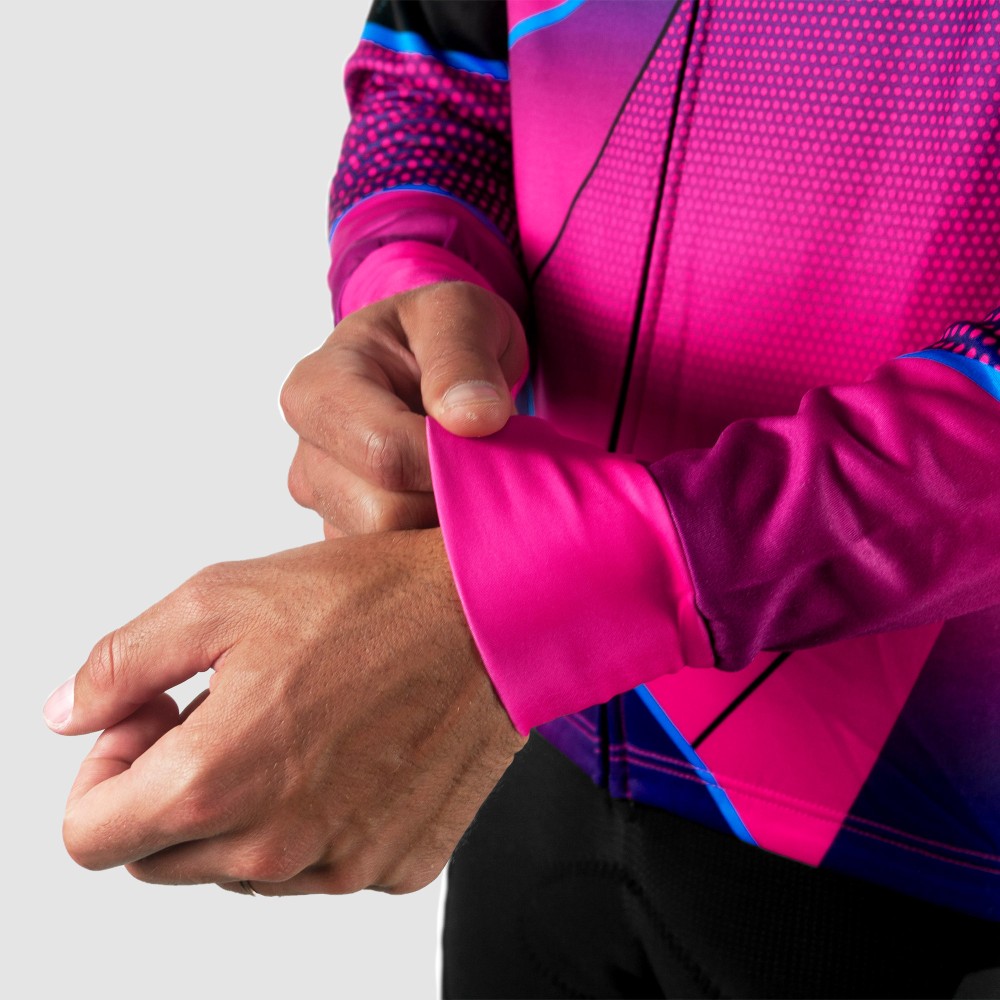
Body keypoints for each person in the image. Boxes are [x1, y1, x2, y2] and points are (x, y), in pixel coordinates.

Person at [45, 1, 1000, 996]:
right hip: (535, 738)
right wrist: (413, 294)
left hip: (933, 841)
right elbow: (436, 76)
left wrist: (559, 589)